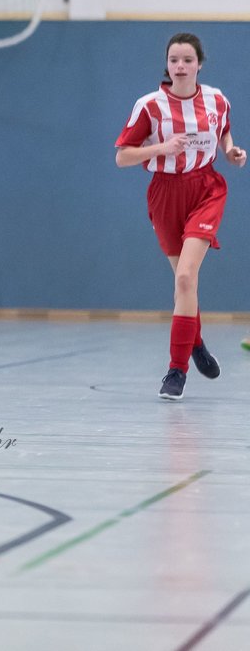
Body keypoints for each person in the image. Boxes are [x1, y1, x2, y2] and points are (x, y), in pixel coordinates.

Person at [115, 32, 246, 400]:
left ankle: (176, 370)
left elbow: (223, 131)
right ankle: (196, 342)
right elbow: (122, 156)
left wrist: (232, 151)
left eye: (187, 60)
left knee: (187, 276)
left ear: (199, 64)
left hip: (206, 189)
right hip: (165, 193)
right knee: (182, 282)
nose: (180, 66)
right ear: (167, 64)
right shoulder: (150, 106)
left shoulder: (217, 99)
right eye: (174, 60)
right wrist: (161, 147)